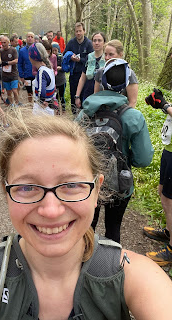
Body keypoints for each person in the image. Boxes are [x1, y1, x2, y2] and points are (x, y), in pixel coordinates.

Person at [0, 112, 172, 319]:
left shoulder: (138, 278)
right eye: (26, 188)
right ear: (6, 193)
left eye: (71, 185)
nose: (50, 210)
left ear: (97, 189)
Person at [77, 59, 154, 243]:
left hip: (89, 181)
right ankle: (110, 267)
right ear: (126, 84)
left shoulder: (84, 113)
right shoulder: (133, 117)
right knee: (113, 227)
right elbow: (143, 159)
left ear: (101, 81)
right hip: (120, 182)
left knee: (87, 227)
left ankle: (83, 261)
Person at [143, 88, 172, 266]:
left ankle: (171, 250)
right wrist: (162, 104)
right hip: (169, 149)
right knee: (163, 193)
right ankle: (169, 231)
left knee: (170, 200)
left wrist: (165, 105)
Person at [94, 39, 138, 108]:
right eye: (105, 54)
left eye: (111, 54)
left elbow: (132, 102)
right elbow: (95, 97)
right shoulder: (100, 72)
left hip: (121, 114)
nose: (107, 58)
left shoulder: (129, 74)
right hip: (102, 114)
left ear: (120, 55)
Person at [63, 22, 93, 114]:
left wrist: (80, 60)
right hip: (74, 75)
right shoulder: (71, 43)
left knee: (84, 96)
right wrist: (70, 58)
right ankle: (74, 116)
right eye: (76, 31)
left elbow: (91, 59)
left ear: (84, 31)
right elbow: (64, 54)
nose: (78, 33)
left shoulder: (89, 44)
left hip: (85, 75)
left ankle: (84, 116)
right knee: (73, 96)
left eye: (80, 31)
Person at [75, 32, 106, 108]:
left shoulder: (107, 58)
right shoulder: (88, 57)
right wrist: (77, 96)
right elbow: (82, 78)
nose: (96, 43)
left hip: (103, 96)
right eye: (94, 41)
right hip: (88, 94)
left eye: (99, 40)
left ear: (104, 43)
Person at [28, 43, 56, 114]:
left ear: (33, 57)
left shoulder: (42, 71)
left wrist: (41, 102)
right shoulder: (49, 68)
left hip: (42, 109)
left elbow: (42, 91)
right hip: (48, 105)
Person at [0, 36, 19, 106]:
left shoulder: (13, 50)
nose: (3, 44)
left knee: (14, 90)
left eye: (4, 42)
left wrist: (7, 63)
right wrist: (1, 63)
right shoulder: (1, 51)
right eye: (2, 43)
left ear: (8, 42)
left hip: (13, 74)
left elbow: (16, 60)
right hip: (5, 75)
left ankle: (17, 103)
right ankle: (12, 104)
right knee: (8, 92)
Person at [18, 32, 35, 104]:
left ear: (34, 39)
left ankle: (37, 105)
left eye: (31, 37)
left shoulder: (37, 49)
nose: (30, 38)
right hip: (27, 75)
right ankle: (30, 104)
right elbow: (20, 64)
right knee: (29, 91)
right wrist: (21, 76)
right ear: (26, 39)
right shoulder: (22, 51)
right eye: (28, 37)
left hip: (36, 74)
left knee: (37, 91)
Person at [52, 42, 66, 112]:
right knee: (55, 97)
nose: (54, 52)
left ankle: (63, 109)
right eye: (53, 50)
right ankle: (57, 110)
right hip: (54, 81)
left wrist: (61, 68)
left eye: (56, 50)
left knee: (62, 96)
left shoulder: (61, 57)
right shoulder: (50, 58)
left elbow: (66, 68)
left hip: (61, 80)